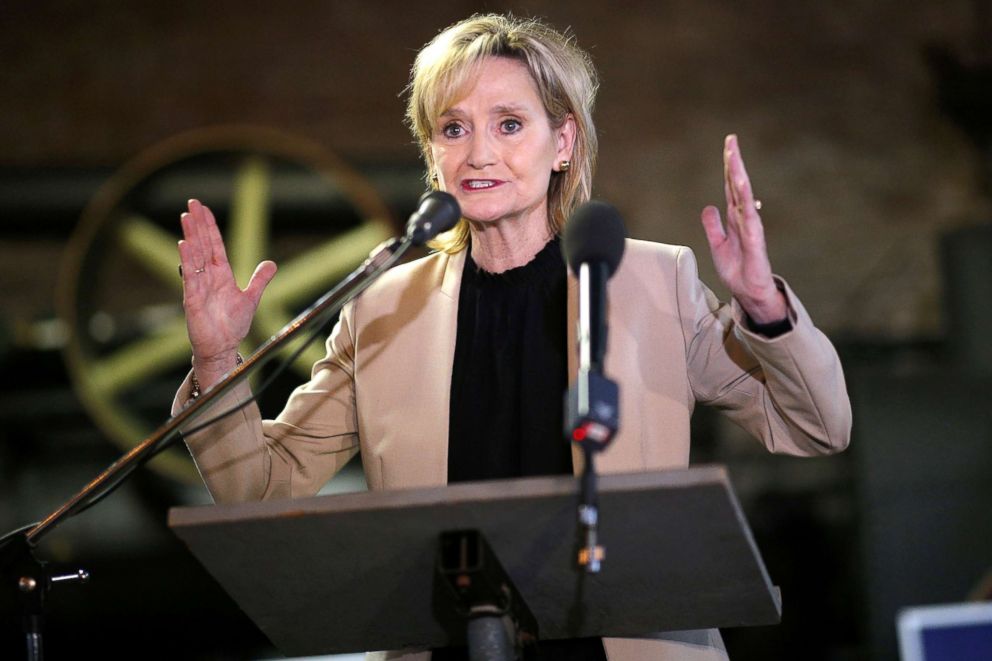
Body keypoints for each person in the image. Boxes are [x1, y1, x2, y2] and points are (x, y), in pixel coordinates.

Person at [173, 13, 851, 661]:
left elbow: (815, 426)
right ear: (431, 153)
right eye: (453, 128)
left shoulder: (652, 282)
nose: (479, 153)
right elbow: (257, 491)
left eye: (508, 124)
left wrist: (764, 308)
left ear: (562, 143)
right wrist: (216, 357)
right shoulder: (383, 308)